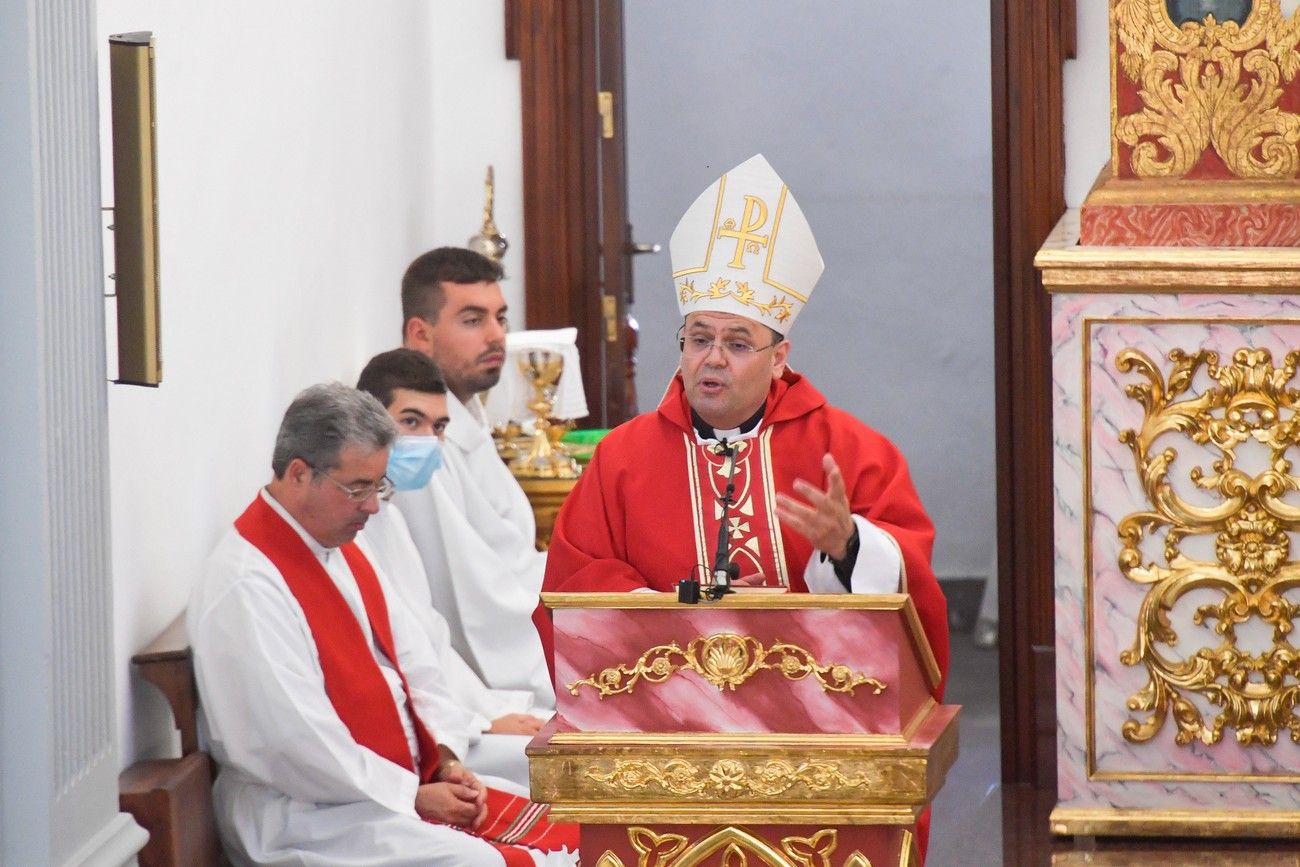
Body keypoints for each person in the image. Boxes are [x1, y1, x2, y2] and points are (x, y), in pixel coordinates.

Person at [539, 156, 949, 859]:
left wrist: (848, 546)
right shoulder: (624, 458)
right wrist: (667, 618)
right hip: (664, 740)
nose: (713, 360)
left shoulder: (848, 449)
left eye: (736, 343)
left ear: (780, 354)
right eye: (699, 339)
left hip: (814, 741)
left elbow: (911, 600)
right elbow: (573, 585)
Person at [189, 383, 577, 866]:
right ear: (298, 474)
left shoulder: (338, 545)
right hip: (308, 815)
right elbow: (295, 745)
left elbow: (415, 662)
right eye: (358, 488)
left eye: (379, 486)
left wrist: (444, 760)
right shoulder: (248, 587)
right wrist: (411, 794)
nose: (373, 506)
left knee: (567, 821)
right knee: (481, 861)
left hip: (377, 788)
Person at [356, 348, 547, 789]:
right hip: (423, 737)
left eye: (439, 427)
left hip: (452, 716)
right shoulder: (354, 525)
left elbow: (429, 637)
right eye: (411, 422)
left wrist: (488, 711)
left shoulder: (389, 516)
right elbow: (388, 661)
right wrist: (478, 722)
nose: (427, 441)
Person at [394, 248, 554, 711]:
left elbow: (512, 556)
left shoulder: (467, 418)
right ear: (419, 334)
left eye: (500, 318)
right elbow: (471, 600)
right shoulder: (419, 448)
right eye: (472, 320)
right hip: (482, 690)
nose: (497, 336)